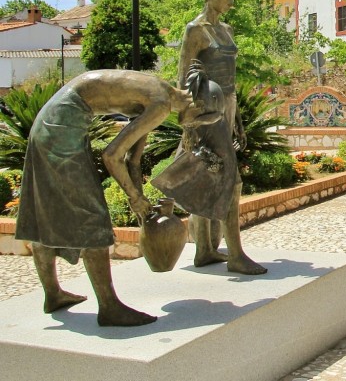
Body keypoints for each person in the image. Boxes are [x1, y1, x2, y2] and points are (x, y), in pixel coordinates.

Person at [15, 68, 217, 326]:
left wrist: (139, 196)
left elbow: (133, 159)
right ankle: (109, 307)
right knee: (93, 218)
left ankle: (53, 294)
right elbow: (111, 155)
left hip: (51, 123)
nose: (191, 127)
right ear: (195, 106)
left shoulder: (160, 92)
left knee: (46, 211)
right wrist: (133, 197)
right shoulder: (161, 105)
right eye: (197, 121)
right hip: (60, 131)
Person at [174, 0, 266, 275]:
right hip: (206, 113)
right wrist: (188, 122)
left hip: (227, 106)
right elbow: (181, 77)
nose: (230, 3)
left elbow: (231, 81)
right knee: (229, 179)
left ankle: (204, 251)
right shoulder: (195, 31)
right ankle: (236, 254)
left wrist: (237, 116)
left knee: (209, 178)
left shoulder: (226, 30)